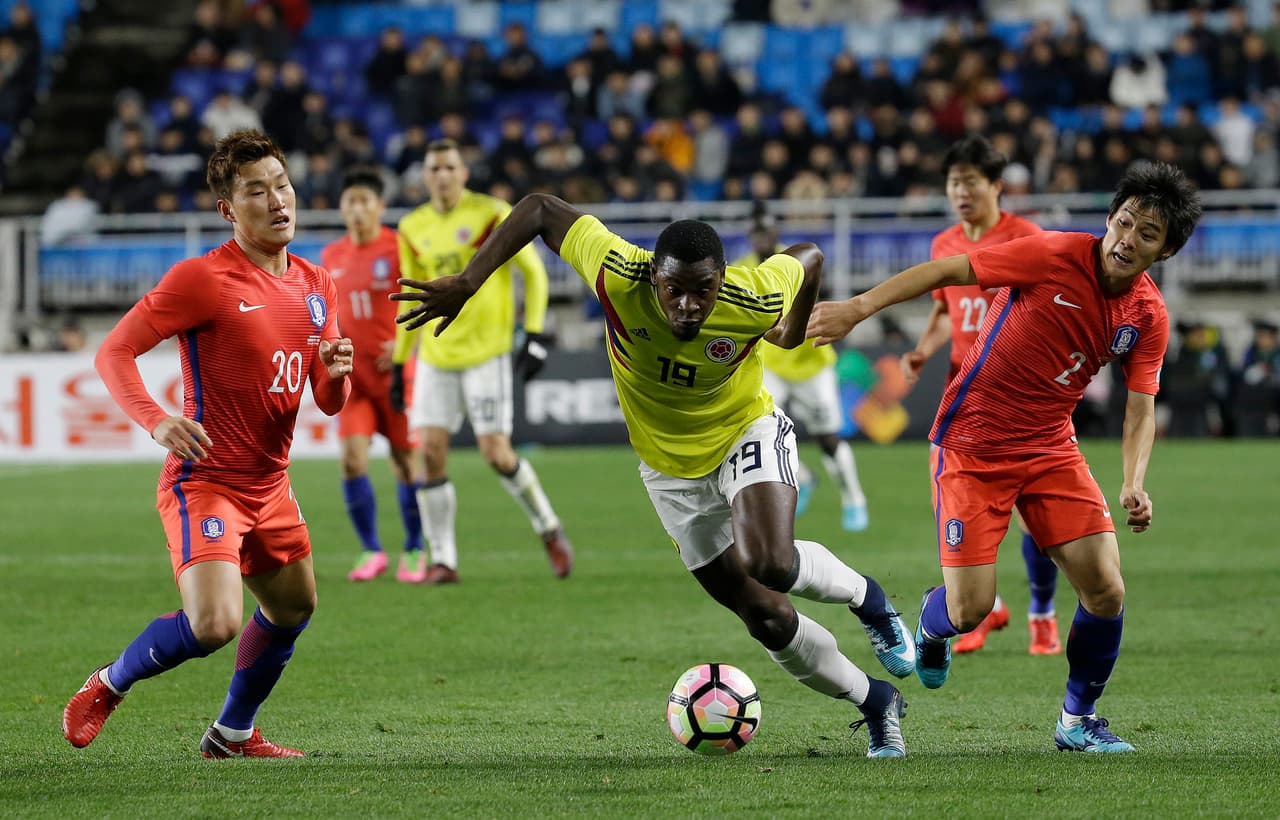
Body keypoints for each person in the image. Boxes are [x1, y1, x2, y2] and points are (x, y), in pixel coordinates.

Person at [393, 194, 918, 758]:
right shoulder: (618, 272)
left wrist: (790, 330)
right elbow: (541, 209)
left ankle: (868, 599)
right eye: (674, 290)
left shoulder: (755, 294)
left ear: (723, 281)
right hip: (668, 472)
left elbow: (808, 255)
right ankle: (876, 702)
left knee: (769, 561)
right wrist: (469, 280)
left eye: (703, 291)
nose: (688, 306)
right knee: (764, 616)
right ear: (654, 278)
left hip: (744, 431)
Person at [809, 162, 1203, 753]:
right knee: (969, 609)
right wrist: (858, 308)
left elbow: (1140, 407)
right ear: (1110, 217)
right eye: (1124, 222)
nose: (1128, 239)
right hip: (973, 444)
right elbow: (948, 269)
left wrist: (1134, 482)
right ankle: (933, 623)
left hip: (1050, 447)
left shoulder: (1148, 315)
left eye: (1147, 234)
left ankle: (1077, 720)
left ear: (1165, 251)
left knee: (1106, 589)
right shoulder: (1051, 254)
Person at [62, 130, 353, 758]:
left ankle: (231, 734)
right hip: (207, 481)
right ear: (228, 209)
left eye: (283, 185)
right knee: (214, 623)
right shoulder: (202, 278)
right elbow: (115, 351)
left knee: (294, 607)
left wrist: (336, 372)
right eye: (257, 191)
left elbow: (329, 401)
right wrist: (155, 419)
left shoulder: (317, 284)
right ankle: (109, 683)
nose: (277, 201)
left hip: (271, 485)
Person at [899, 134, 1061, 656]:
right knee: (951, 511)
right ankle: (987, 608)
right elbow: (947, 309)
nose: (961, 192)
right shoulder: (943, 244)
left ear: (995, 186)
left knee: (1037, 521)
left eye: (971, 182)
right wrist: (923, 349)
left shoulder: (1027, 238)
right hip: (963, 402)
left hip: (1019, 401)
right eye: (954, 183)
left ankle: (1042, 613)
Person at [391, 139, 572, 584]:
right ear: (425, 176)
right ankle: (443, 559)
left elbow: (533, 272)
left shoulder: (492, 213)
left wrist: (534, 334)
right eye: (434, 169)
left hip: (486, 354)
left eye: (450, 167)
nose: (442, 176)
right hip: (436, 354)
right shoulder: (411, 226)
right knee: (430, 453)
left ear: (464, 172)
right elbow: (412, 299)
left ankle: (548, 526)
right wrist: (399, 362)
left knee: (496, 454)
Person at [321, 167, 426, 583]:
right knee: (351, 461)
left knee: (405, 463)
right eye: (351, 201)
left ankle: (414, 548)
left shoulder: (399, 246)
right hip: (355, 380)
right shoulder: (332, 256)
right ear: (341, 208)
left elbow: (426, 297)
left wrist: (405, 342)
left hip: (395, 377)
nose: (358, 209)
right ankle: (371, 550)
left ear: (380, 206)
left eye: (365, 201)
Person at [736, 208, 869, 531]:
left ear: (775, 233)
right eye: (756, 233)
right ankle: (803, 477)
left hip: (811, 365)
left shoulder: (798, 261)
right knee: (758, 431)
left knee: (828, 439)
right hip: (772, 366)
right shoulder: (743, 268)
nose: (761, 239)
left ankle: (853, 498)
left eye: (766, 232)